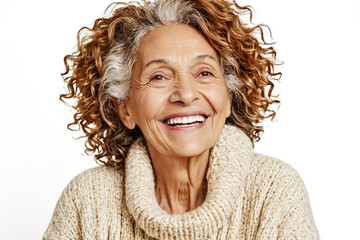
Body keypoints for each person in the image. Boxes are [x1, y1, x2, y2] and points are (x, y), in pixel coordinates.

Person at [43, 0, 320, 239]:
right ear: (125, 108)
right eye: (159, 77)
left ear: (229, 98)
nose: (186, 94)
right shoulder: (87, 200)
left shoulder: (275, 192)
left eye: (204, 73)